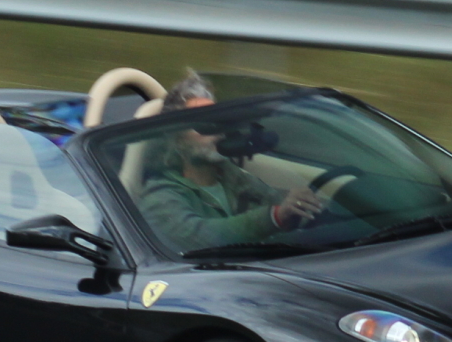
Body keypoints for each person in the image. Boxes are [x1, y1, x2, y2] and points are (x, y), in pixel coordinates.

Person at [137, 69, 325, 250]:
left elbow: (274, 201)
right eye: (203, 124)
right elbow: (203, 237)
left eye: (217, 120)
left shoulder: (233, 176)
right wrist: (273, 217)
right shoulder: (159, 197)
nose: (216, 130)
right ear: (177, 137)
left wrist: (300, 204)